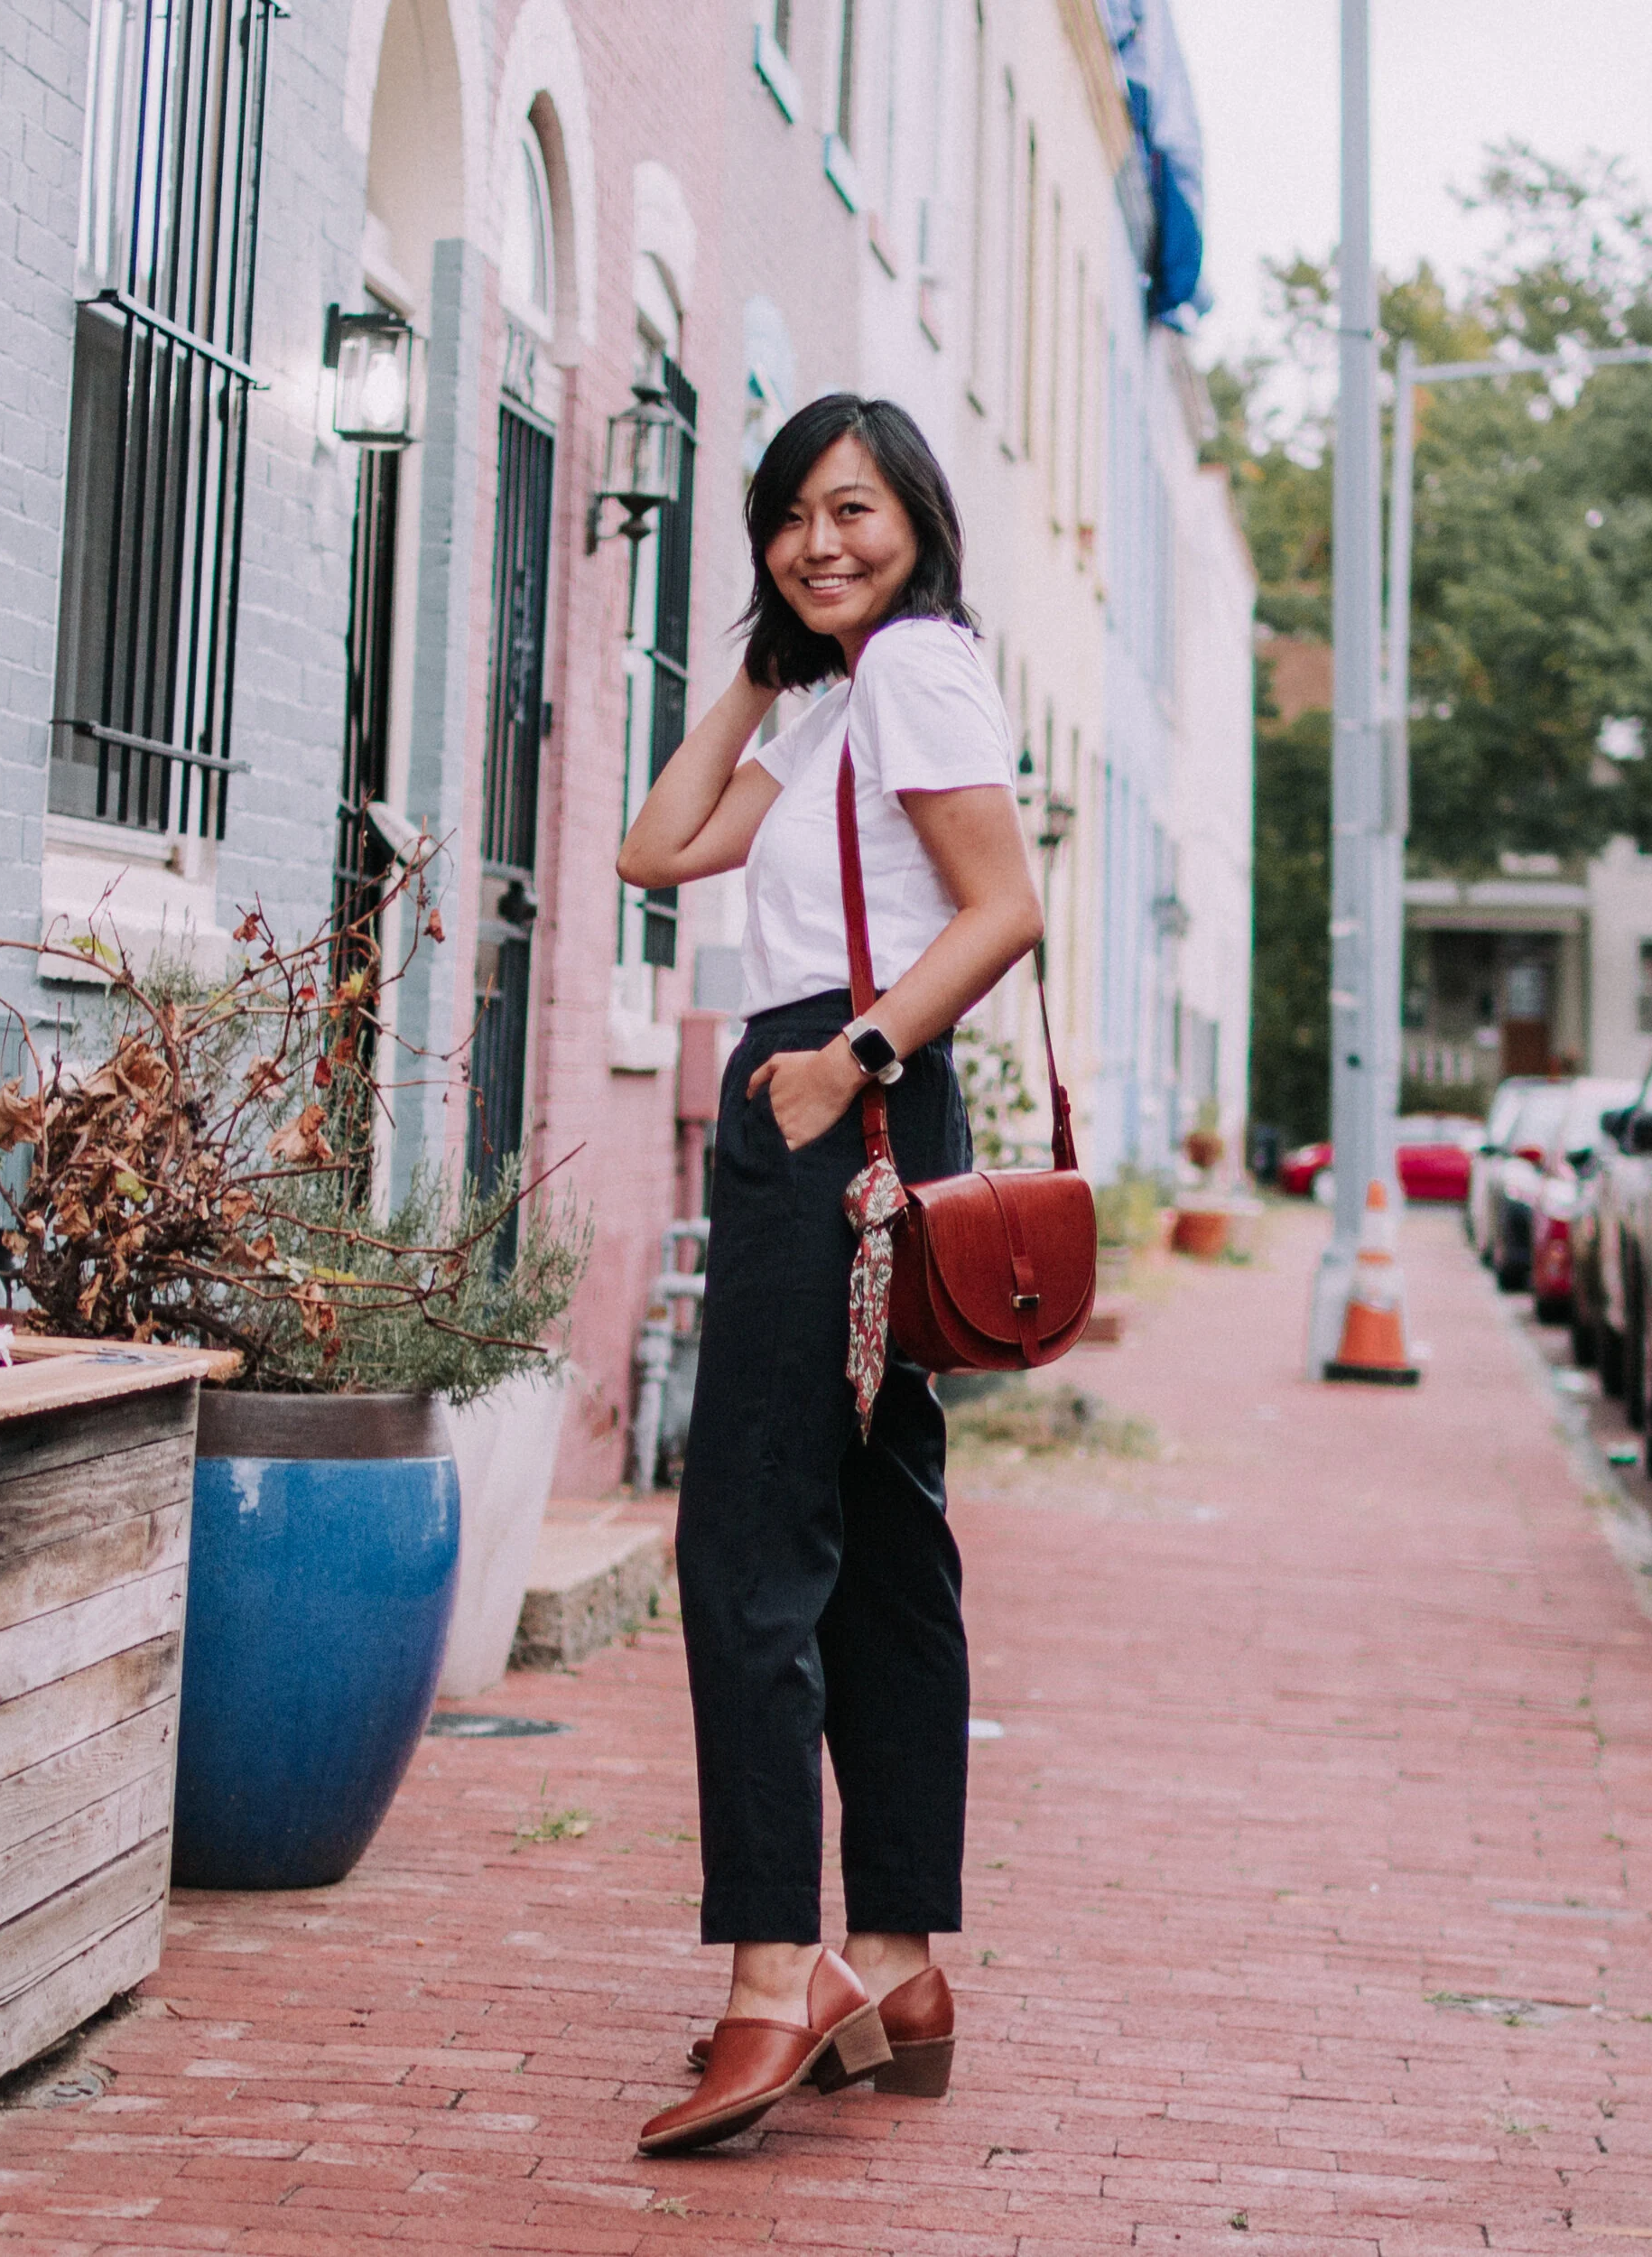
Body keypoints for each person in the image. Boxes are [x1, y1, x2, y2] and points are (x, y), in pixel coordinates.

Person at [616, 395, 1044, 2157]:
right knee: (871, 1537)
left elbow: (1000, 901)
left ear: (915, 518)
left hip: (835, 1098)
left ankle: (769, 1976)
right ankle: (894, 1958)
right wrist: (763, 657)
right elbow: (657, 846)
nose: (820, 539)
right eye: (791, 515)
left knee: (745, 1539)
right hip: (843, 1096)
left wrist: (843, 1060)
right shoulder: (839, 692)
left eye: (851, 509)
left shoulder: (920, 669)